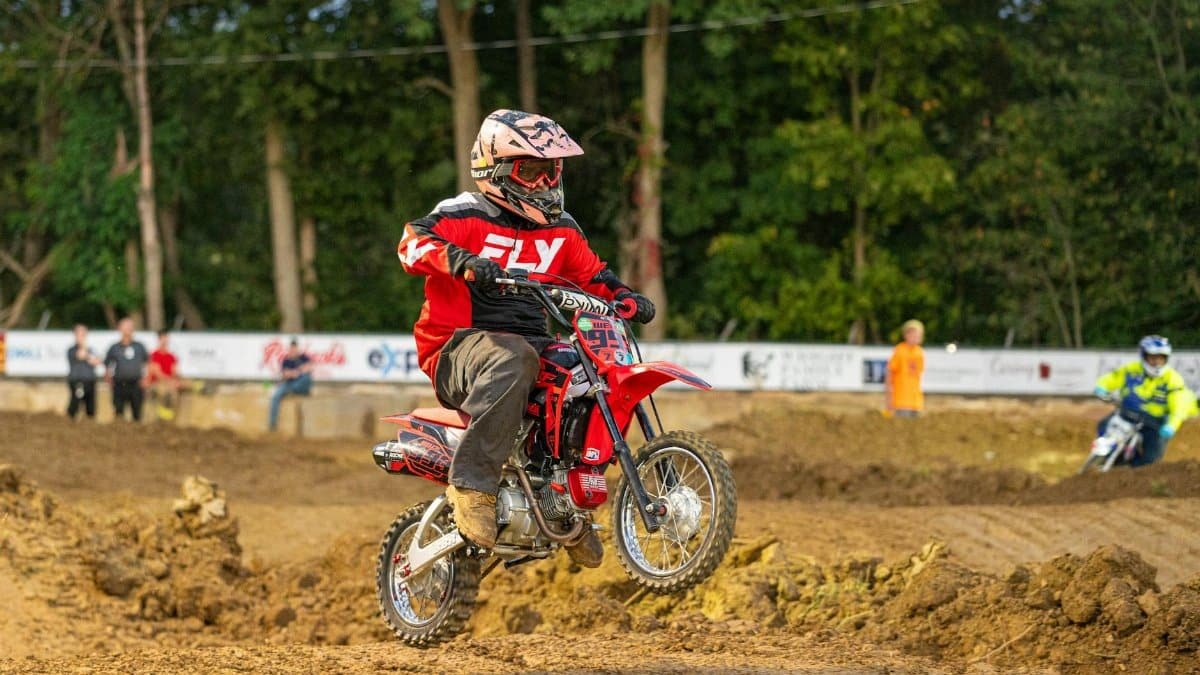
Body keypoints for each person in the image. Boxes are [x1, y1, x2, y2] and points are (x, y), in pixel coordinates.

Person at [397, 109, 656, 567]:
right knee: (514, 357)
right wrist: (463, 262)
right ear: (496, 171)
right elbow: (412, 243)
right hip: (458, 347)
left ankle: (561, 497)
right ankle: (473, 485)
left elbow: (593, 275)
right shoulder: (465, 214)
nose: (542, 184)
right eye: (530, 171)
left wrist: (625, 297)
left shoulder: (561, 230)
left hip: (530, 345)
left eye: (549, 171)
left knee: (591, 371)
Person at [1093, 335, 1196, 466]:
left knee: (1150, 460)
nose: (1157, 363)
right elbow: (1113, 377)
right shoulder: (1132, 369)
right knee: (1103, 424)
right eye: (1153, 358)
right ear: (1144, 356)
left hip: (1154, 424)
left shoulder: (1173, 379)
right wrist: (1102, 387)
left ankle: (1136, 474)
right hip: (1127, 414)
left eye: (1161, 359)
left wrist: (1171, 426)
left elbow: (1179, 407)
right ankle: (1109, 457)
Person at [105, 317, 149, 422]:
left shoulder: (139, 347)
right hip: (119, 384)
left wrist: (146, 379)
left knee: (137, 413)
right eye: (125, 327)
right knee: (119, 413)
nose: (128, 329)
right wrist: (108, 378)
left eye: (130, 327)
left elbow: (147, 363)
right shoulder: (114, 347)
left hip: (136, 384)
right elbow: (108, 364)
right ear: (120, 329)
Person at [267, 338, 313, 432]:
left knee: (306, 379)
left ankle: (297, 390)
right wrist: (298, 371)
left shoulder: (304, 357)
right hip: (289, 384)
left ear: (297, 349)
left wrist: (296, 372)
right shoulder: (286, 361)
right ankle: (272, 424)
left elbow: (309, 369)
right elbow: (286, 374)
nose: (293, 351)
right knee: (275, 396)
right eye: (291, 349)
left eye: (295, 349)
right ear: (289, 349)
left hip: (300, 383)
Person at [885, 319, 925, 418]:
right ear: (906, 335)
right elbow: (889, 374)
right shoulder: (899, 351)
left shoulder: (920, 352)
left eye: (918, 334)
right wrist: (889, 398)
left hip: (916, 402)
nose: (916, 336)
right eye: (913, 334)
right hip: (901, 402)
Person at [66, 324, 102, 420]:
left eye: (83, 334)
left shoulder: (91, 349)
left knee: (91, 406)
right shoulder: (71, 350)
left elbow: (97, 361)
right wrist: (87, 353)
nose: (81, 336)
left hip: (90, 381)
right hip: (77, 381)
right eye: (79, 334)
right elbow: (81, 355)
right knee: (75, 403)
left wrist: (88, 356)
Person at [147, 330, 183, 421]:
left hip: (168, 383)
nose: (165, 340)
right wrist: (171, 382)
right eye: (162, 338)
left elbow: (175, 371)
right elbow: (157, 373)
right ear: (159, 339)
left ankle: (168, 418)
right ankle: (163, 418)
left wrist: (175, 381)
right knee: (166, 391)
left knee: (176, 389)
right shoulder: (154, 355)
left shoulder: (172, 356)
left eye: (166, 338)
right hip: (156, 383)